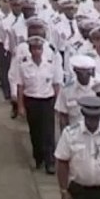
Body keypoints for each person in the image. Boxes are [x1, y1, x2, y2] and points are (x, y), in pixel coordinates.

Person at [15, 35, 62, 173]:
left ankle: (50, 162)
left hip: (47, 100)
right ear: (30, 50)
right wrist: (21, 106)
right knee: (35, 131)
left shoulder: (50, 65)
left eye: (39, 49)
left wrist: (58, 104)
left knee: (48, 132)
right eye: (34, 49)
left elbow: (56, 85)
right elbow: (20, 87)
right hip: (31, 100)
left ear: (42, 50)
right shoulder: (24, 66)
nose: (36, 52)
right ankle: (38, 157)